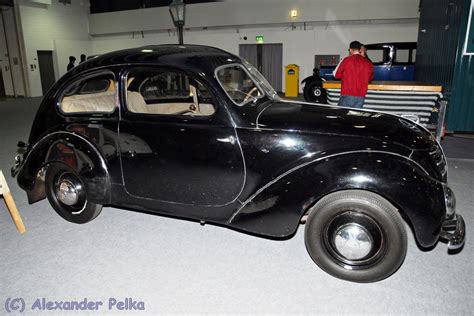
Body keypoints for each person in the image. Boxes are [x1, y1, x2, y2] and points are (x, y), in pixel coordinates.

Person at [334, 41, 373, 108]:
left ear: (350, 50)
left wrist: (341, 61)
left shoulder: (346, 60)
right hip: (361, 96)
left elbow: (336, 75)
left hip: (347, 94)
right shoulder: (368, 62)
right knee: (355, 117)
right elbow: (370, 78)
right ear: (360, 50)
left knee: (343, 116)